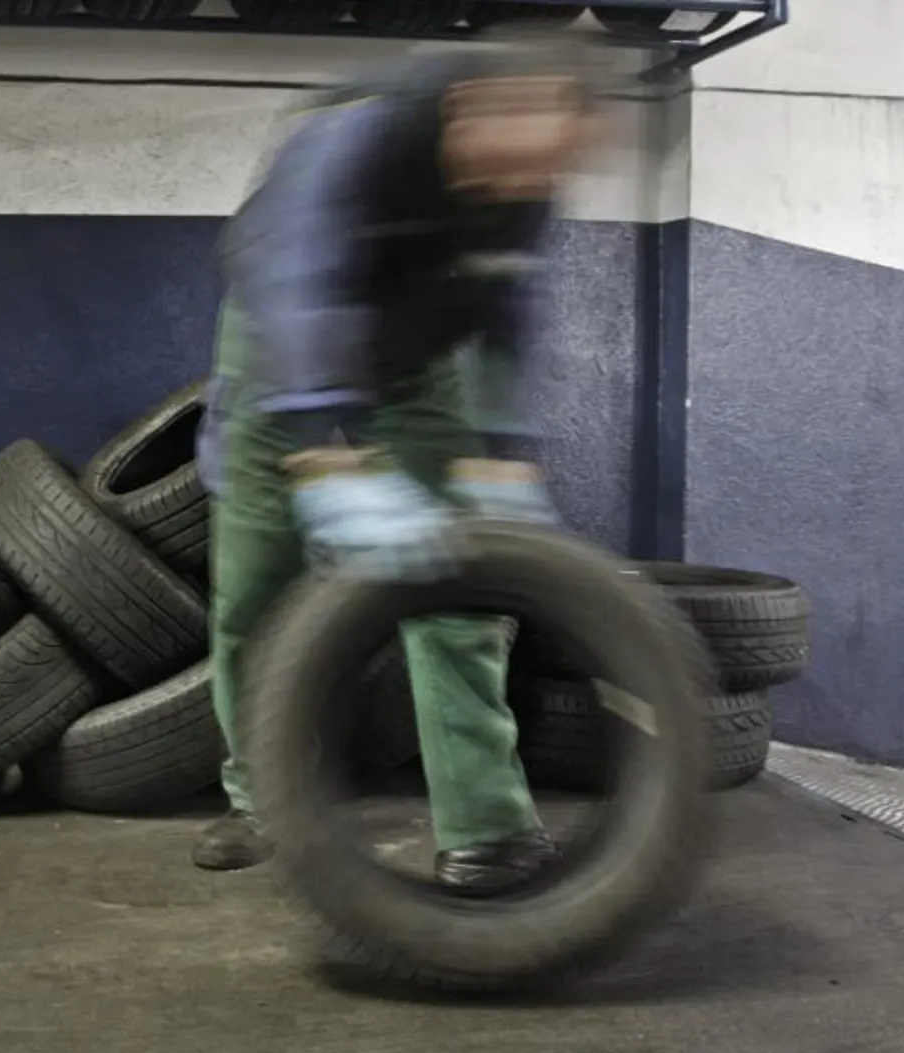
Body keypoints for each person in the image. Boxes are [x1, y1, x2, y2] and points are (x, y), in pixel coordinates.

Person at [192, 39, 607, 895]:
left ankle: (488, 825)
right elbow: (292, 279)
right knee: (256, 592)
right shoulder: (357, 127)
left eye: (551, 166)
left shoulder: (526, 170)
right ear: (467, 113)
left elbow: (513, 305)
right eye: (514, 166)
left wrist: (500, 453)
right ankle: (264, 800)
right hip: (281, 348)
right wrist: (325, 449)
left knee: (461, 579)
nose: (526, 188)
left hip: (415, 366)